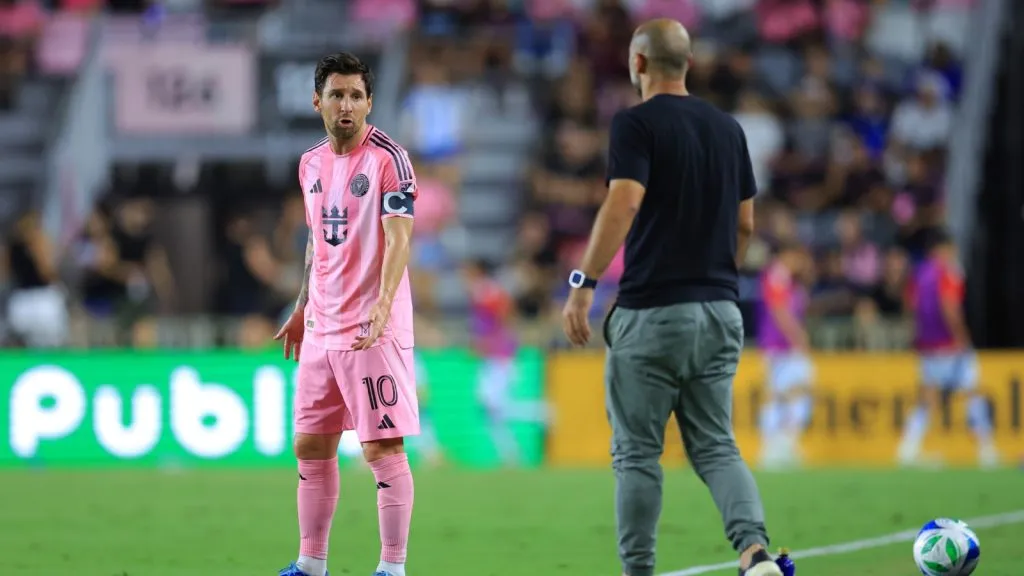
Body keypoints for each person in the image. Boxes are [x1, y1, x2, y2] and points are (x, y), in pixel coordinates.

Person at [559, 19, 792, 576]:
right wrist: (713, 283)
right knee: (716, 444)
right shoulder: (728, 129)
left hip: (651, 313)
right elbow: (746, 225)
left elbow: (623, 205)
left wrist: (583, 284)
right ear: (688, 64)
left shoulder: (635, 126)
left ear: (638, 64)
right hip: (718, 309)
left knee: (638, 453)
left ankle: (639, 570)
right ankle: (755, 550)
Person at [273, 52, 420, 576]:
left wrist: (383, 305)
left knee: (381, 447)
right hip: (320, 328)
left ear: (369, 102)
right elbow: (318, 241)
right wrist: (300, 306)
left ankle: (391, 568)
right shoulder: (310, 163)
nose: (347, 105)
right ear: (318, 102)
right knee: (310, 445)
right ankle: (311, 564)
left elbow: (400, 236)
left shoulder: (390, 160)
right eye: (337, 94)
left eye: (356, 95)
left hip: (370, 328)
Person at [897, 230, 998, 468]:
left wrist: (917, 337)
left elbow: (910, 307)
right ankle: (985, 448)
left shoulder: (918, 274)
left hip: (926, 345)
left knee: (928, 398)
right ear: (943, 249)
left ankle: (908, 447)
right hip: (950, 345)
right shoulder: (948, 272)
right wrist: (961, 336)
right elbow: (948, 306)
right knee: (972, 391)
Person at [756, 242, 814, 469]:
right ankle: (775, 445)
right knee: (788, 393)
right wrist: (799, 338)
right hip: (781, 347)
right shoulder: (777, 275)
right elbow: (780, 310)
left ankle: (780, 445)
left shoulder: (787, 278)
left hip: (781, 347)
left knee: (784, 394)